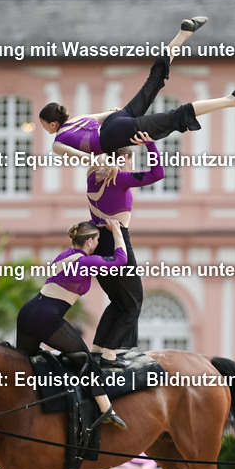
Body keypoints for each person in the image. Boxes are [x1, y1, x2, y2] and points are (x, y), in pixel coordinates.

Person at [42, 18, 235, 163]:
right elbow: (105, 114)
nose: (44, 129)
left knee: (176, 116)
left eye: (43, 125)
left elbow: (83, 157)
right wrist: (120, 119)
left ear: (52, 123)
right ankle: (182, 35)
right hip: (117, 119)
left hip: (114, 132)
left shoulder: (57, 144)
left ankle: (232, 100)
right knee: (153, 81)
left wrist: (106, 164)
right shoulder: (77, 119)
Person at [16, 220, 129, 430]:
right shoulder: (87, 262)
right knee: (85, 359)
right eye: (96, 240)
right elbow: (121, 260)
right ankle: (106, 410)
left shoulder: (65, 254)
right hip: (46, 317)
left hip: (28, 313)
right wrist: (118, 232)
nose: (97, 243)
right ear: (89, 241)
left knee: (22, 364)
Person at [85, 132, 165, 365]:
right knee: (133, 302)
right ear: (124, 160)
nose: (132, 166)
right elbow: (157, 173)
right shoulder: (120, 178)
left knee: (118, 300)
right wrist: (150, 144)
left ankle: (98, 348)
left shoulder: (92, 176)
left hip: (98, 241)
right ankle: (111, 353)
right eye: (131, 160)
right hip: (117, 238)